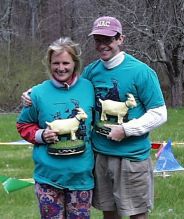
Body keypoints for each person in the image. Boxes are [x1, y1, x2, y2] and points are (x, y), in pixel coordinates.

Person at [21, 16, 167, 219]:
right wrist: (32, 93)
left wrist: (127, 130)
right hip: (100, 156)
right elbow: (67, 86)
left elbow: (160, 113)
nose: (102, 45)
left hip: (131, 158)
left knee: (136, 213)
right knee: (109, 211)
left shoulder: (141, 72)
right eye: (98, 39)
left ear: (120, 39)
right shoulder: (91, 72)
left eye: (108, 39)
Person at [16, 37, 95, 219]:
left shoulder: (89, 88)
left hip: (81, 178)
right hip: (48, 178)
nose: (61, 68)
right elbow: (23, 124)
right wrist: (41, 135)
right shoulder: (37, 93)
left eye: (66, 63)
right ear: (49, 64)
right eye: (55, 63)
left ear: (75, 63)